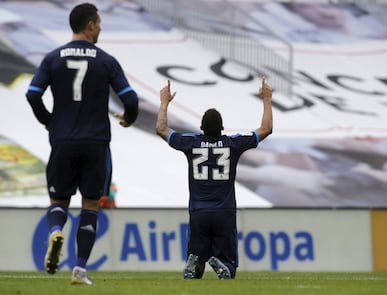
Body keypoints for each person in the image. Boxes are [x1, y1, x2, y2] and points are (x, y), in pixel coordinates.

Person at [26, 3, 139, 285]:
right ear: (90, 25)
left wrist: (49, 121)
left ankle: (55, 231)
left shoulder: (52, 58)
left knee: (58, 200)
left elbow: (32, 94)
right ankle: (79, 270)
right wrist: (128, 118)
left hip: (63, 140)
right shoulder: (106, 61)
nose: (100, 28)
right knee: (90, 205)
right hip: (95, 142)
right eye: (98, 23)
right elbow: (131, 100)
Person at [156, 78, 273, 279]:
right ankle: (222, 264)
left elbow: (161, 129)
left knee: (196, 261)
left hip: (198, 211)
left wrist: (164, 103)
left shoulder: (192, 143)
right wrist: (267, 99)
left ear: (201, 127)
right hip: (224, 211)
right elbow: (265, 129)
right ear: (222, 128)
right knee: (230, 268)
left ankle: (196, 262)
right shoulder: (232, 144)